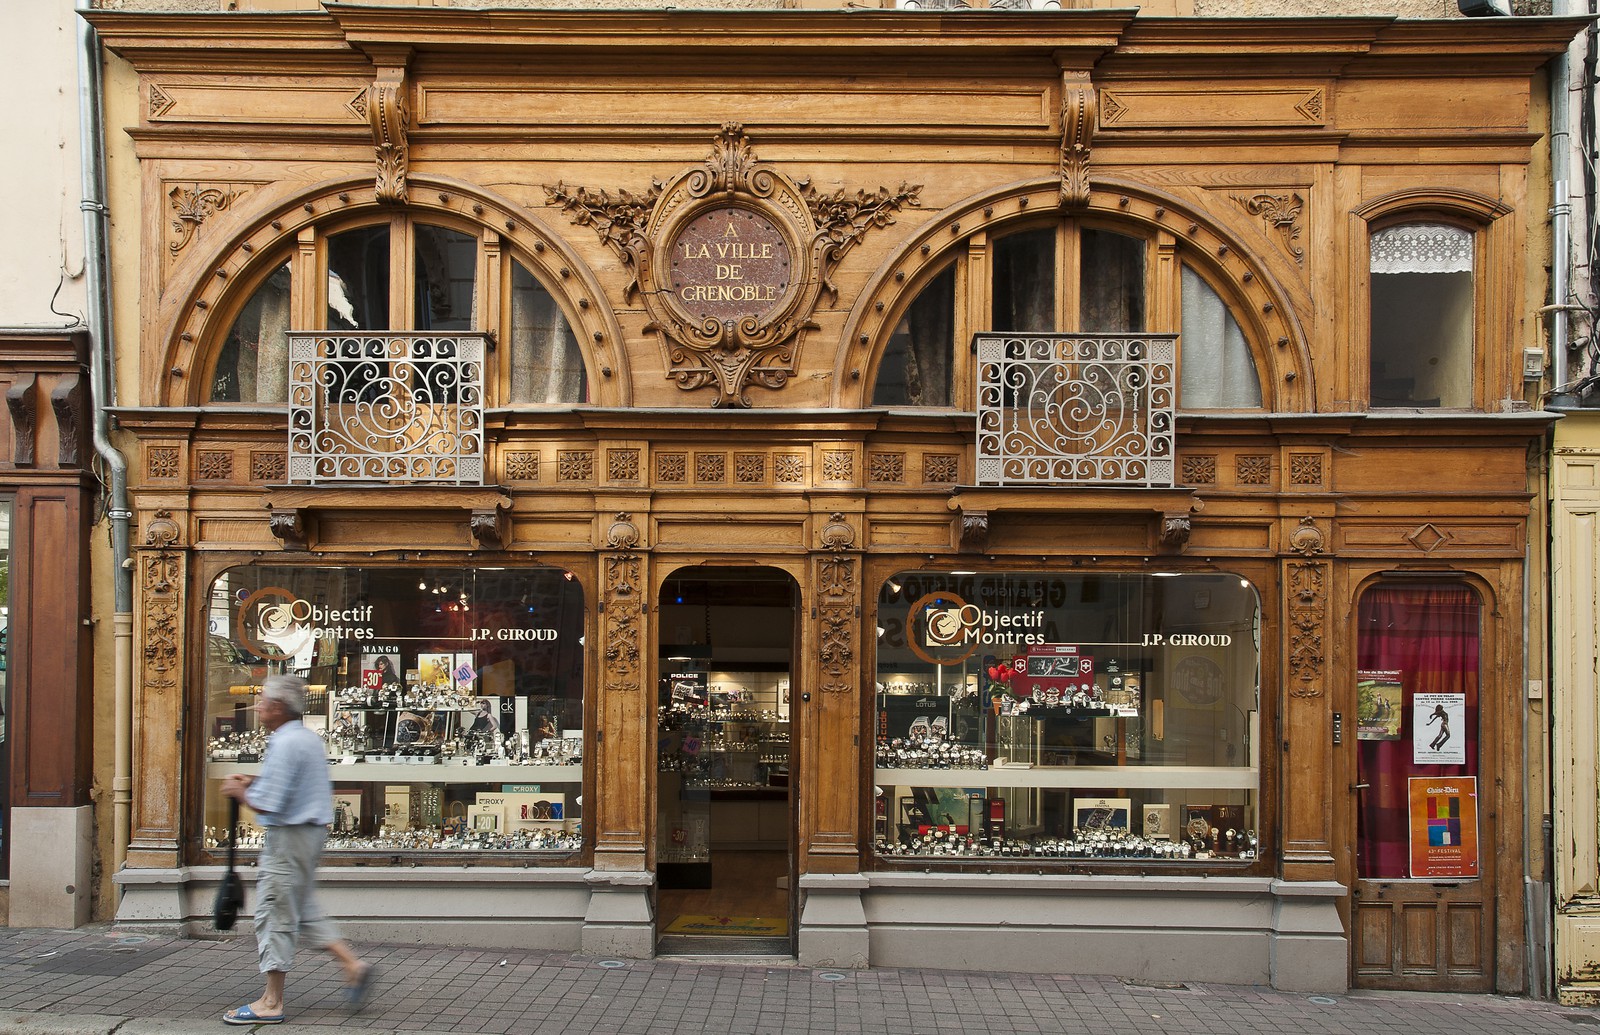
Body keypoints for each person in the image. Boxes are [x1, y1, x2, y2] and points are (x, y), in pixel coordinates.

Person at [220, 674, 374, 1025]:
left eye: (263, 701)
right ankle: (353, 965)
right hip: (309, 834)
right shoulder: (306, 739)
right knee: (301, 907)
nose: (258, 706)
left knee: (276, 912)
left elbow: (272, 803)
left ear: (277, 707)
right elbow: (290, 785)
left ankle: (271, 1002)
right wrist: (254, 783)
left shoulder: (284, 743)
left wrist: (239, 791)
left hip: (287, 837)